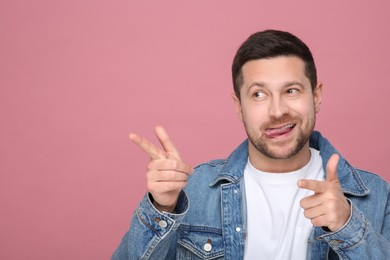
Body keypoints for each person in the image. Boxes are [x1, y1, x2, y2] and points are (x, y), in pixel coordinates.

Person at [112, 30, 390, 259]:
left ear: (316, 96)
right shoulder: (192, 193)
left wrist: (348, 227)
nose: (277, 111)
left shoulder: (377, 196)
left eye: (291, 90)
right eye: (259, 94)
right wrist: (161, 209)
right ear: (239, 106)